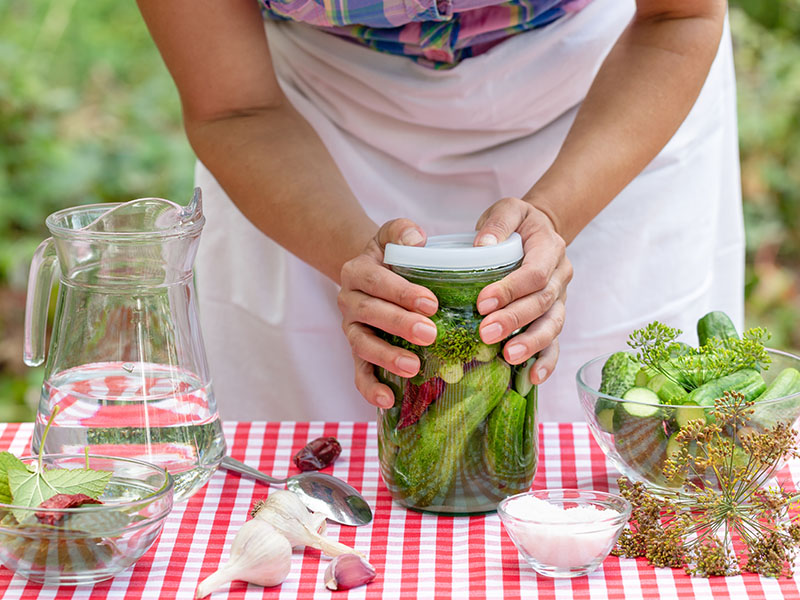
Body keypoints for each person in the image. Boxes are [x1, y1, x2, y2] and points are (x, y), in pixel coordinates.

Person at [136, 0, 743, 423]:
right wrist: (351, 256)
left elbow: (680, 15)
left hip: (604, 94)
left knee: (612, 445)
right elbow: (232, 107)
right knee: (306, 466)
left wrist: (556, 215)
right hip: (299, 126)